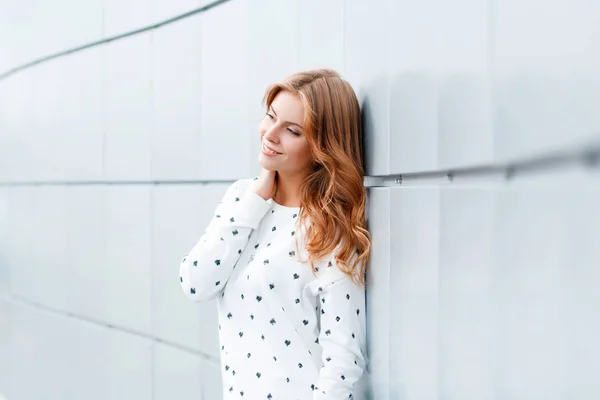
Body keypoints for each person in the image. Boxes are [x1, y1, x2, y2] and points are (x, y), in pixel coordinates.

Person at [179, 68, 371, 399]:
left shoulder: (329, 230)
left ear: (321, 148)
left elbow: (343, 359)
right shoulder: (242, 199)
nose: (271, 133)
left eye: (292, 130)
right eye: (270, 116)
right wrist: (255, 200)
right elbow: (196, 283)